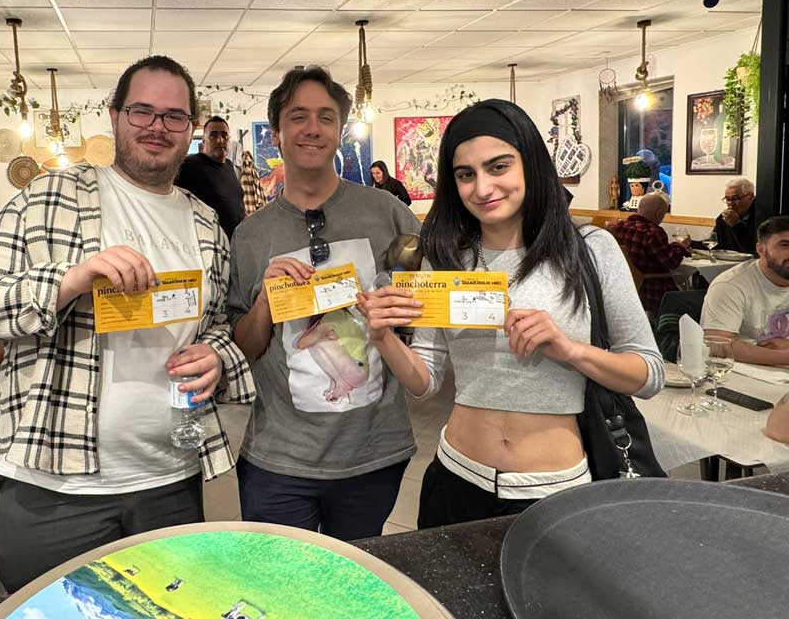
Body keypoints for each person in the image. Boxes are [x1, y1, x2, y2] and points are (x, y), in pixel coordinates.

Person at [0, 55, 255, 592]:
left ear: (190, 128)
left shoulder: (206, 223)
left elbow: (216, 326)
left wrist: (215, 355)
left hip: (171, 476)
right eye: (142, 111)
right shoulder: (45, 199)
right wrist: (70, 280)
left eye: (174, 116)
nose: (157, 126)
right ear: (114, 115)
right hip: (54, 482)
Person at [356, 99, 664, 526]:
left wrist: (570, 350)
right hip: (457, 478)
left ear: (530, 164)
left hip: (554, 489)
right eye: (466, 175)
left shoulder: (591, 250)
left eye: (498, 167)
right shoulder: (445, 259)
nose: (482, 188)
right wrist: (383, 337)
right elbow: (425, 382)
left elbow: (649, 374)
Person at [229, 66, 420, 540]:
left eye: (326, 117)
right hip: (279, 457)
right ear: (276, 134)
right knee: (280, 579)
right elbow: (242, 348)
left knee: (356, 575)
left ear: (340, 131)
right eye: (298, 117)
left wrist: (396, 315)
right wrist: (265, 305)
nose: (312, 128)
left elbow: (425, 316)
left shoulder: (390, 214)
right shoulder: (250, 237)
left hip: (373, 453)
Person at [702, 215, 789, 366]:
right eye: (785, 245)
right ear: (760, 249)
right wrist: (784, 357)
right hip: (740, 370)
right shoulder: (731, 285)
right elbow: (718, 344)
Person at [611, 193, 691, 316]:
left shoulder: (619, 227)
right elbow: (672, 262)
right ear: (659, 213)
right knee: (689, 299)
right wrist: (680, 246)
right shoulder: (653, 232)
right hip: (651, 288)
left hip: (624, 287)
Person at [175, 115, 246, 239]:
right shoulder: (189, 165)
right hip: (209, 245)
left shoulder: (229, 166)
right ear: (203, 141)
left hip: (237, 243)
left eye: (224, 135)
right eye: (213, 135)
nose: (220, 140)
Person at [711, 178, 757, 255]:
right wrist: (691, 243)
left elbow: (753, 250)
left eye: (735, 198)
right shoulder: (724, 218)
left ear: (750, 197)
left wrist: (736, 225)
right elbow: (715, 245)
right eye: (727, 199)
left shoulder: (761, 215)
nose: (731, 203)